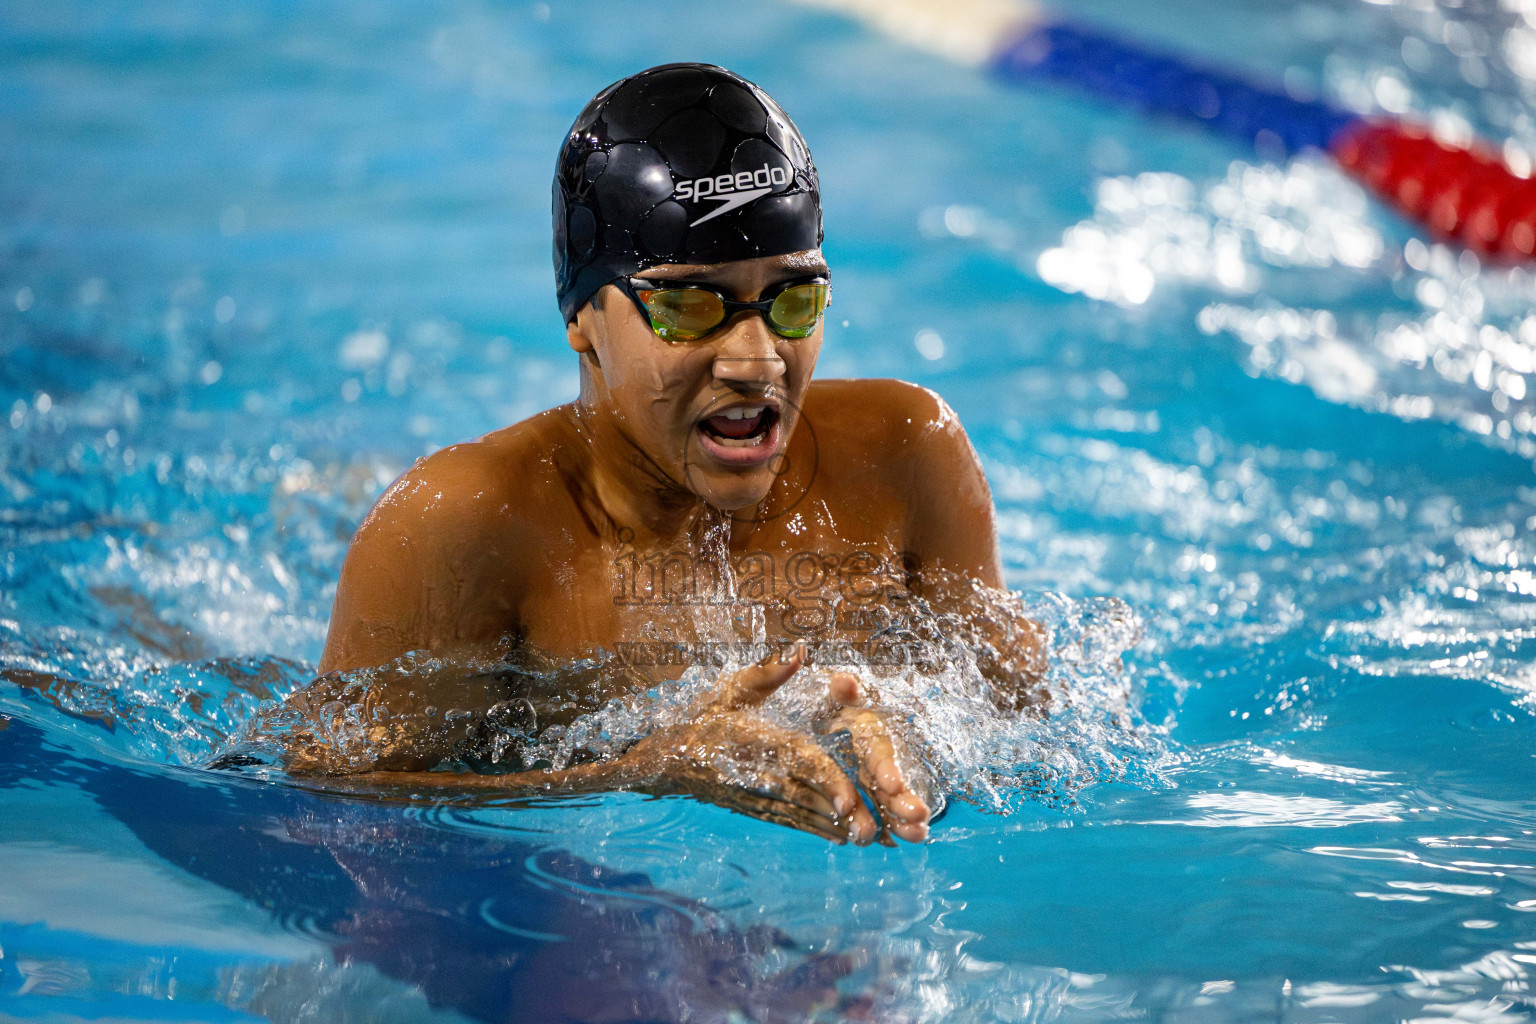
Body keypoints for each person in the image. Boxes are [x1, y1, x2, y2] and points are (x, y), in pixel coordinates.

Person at [250, 63, 1042, 846]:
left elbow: (1030, 716)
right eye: (691, 305)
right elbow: (326, 804)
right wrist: (643, 770)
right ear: (583, 319)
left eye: (793, 299)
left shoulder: (907, 454)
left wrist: (923, 741)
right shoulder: (461, 525)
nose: (757, 358)